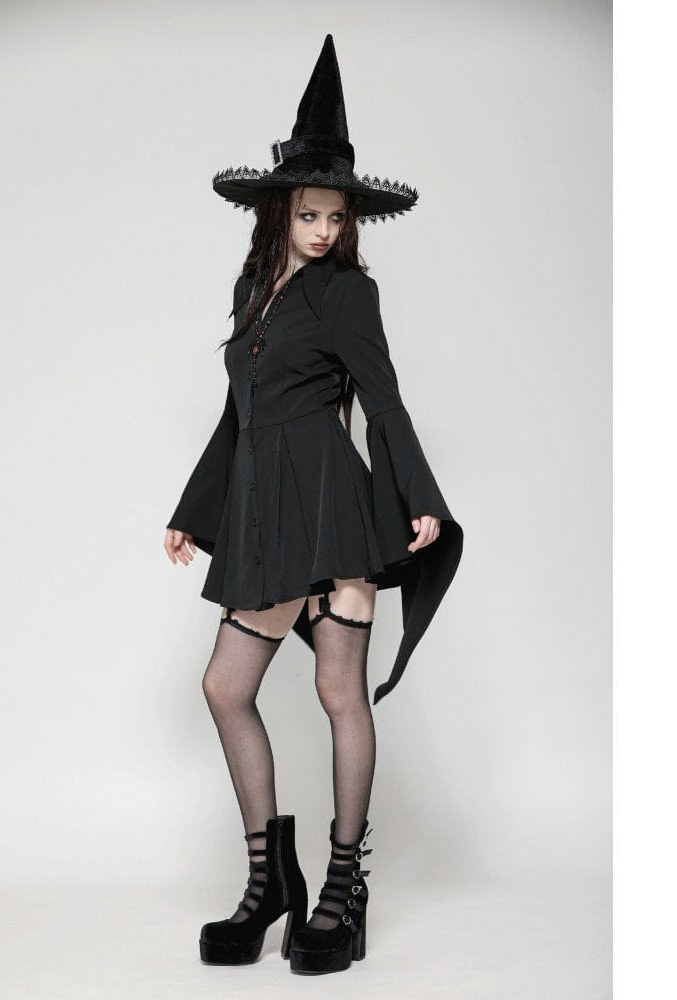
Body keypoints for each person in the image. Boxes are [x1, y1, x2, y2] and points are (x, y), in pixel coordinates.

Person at [163, 35, 463, 975]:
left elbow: (384, 400)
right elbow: (238, 416)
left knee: (339, 691)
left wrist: (418, 496)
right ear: (282, 210)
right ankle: (270, 881)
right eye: (310, 213)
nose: (325, 229)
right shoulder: (254, 289)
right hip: (262, 509)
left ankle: (342, 886)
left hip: (331, 506)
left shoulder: (347, 295)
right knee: (226, 687)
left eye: (337, 216)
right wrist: (194, 511)